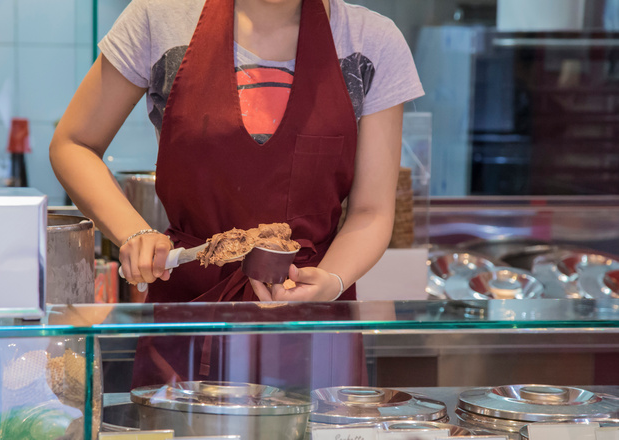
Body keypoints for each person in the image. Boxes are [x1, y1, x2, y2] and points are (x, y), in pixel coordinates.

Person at [50, 0, 423, 389]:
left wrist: (331, 279)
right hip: (188, 318)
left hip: (311, 321)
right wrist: (135, 233)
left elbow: (371, 211)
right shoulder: (157, 19)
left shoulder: (372, 42)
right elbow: (73, 144)